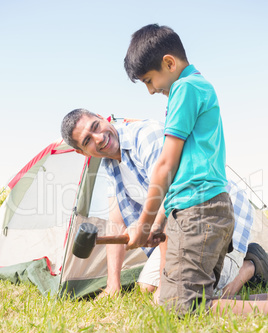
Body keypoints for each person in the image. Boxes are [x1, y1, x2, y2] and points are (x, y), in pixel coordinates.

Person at [61, 109, 268, 315]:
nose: (99, 138)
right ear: (82, 152)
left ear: (100, 117)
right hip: (180, 226)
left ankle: (250, 265)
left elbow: (170, 201)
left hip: (215, 214)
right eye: (87, 140)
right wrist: (113, 284)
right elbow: (116, 221)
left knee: (197, 294)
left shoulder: (146, 135)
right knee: (146, 288)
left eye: (96, 127)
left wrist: (165, 283)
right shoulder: (109, 165)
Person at [123, 23, 266, 315]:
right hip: (204, 210)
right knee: (176, 300)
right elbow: (178, 177)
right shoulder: (196, 87)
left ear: (169, 62)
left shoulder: (185, 88)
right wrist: (160, 224)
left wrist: (145, 223)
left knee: (181, 307)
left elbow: (165, 166)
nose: (151, 90)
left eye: (149, 80)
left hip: (199, 212)